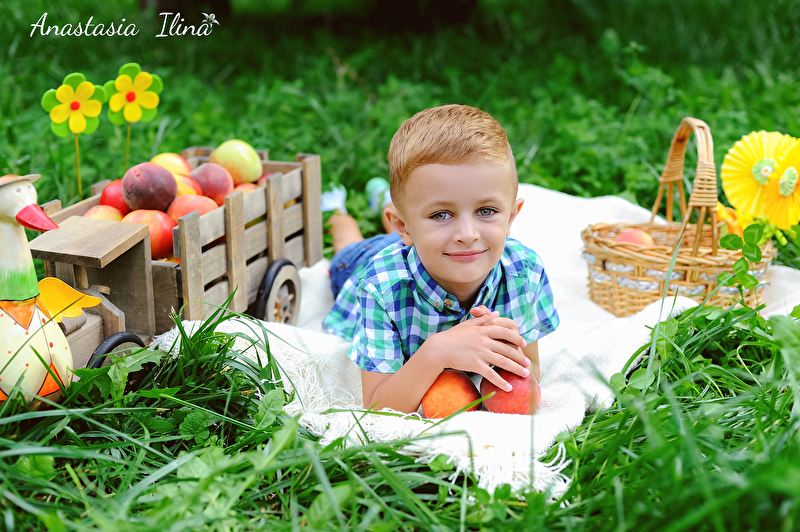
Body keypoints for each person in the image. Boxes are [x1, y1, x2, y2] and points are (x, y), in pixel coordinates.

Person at [322, 104, 559, 413]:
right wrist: (436, 350)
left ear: (511, 217)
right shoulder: (380, 286)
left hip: (430, 247)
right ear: (403, 227)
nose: (467, 234)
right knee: (348, 242)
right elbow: (378, 405)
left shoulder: (524, 273)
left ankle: (387, 199)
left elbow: (531, 368)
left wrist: (510, 357)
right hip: (358, 262)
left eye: (486, 211)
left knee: (425, 226)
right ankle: (337, 209)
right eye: (441, 214)